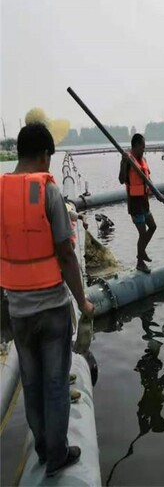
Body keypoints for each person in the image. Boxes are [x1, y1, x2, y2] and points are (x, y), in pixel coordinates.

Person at [0, 123, 95, 477]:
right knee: (56, 384)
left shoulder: (0, 191)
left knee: (32, 382)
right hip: (52, 309)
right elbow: (67, 254)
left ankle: (41, 446)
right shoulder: (48, 192)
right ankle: (56, 454)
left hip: (18, 311)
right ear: (43, 155)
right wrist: (82, 301)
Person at [119, 133, 157, 273]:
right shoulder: (128, 160)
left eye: (144, 147)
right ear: (134, 146)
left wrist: (155, 192)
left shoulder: (143, 160)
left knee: (152, 226)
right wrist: (123, 163)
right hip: (135, 204)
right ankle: (140, 262)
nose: (143, 149)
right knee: (142, 232)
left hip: (144, 202)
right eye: (142, 147)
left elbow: (148, 178)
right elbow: (121, 179)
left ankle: (141, 252)